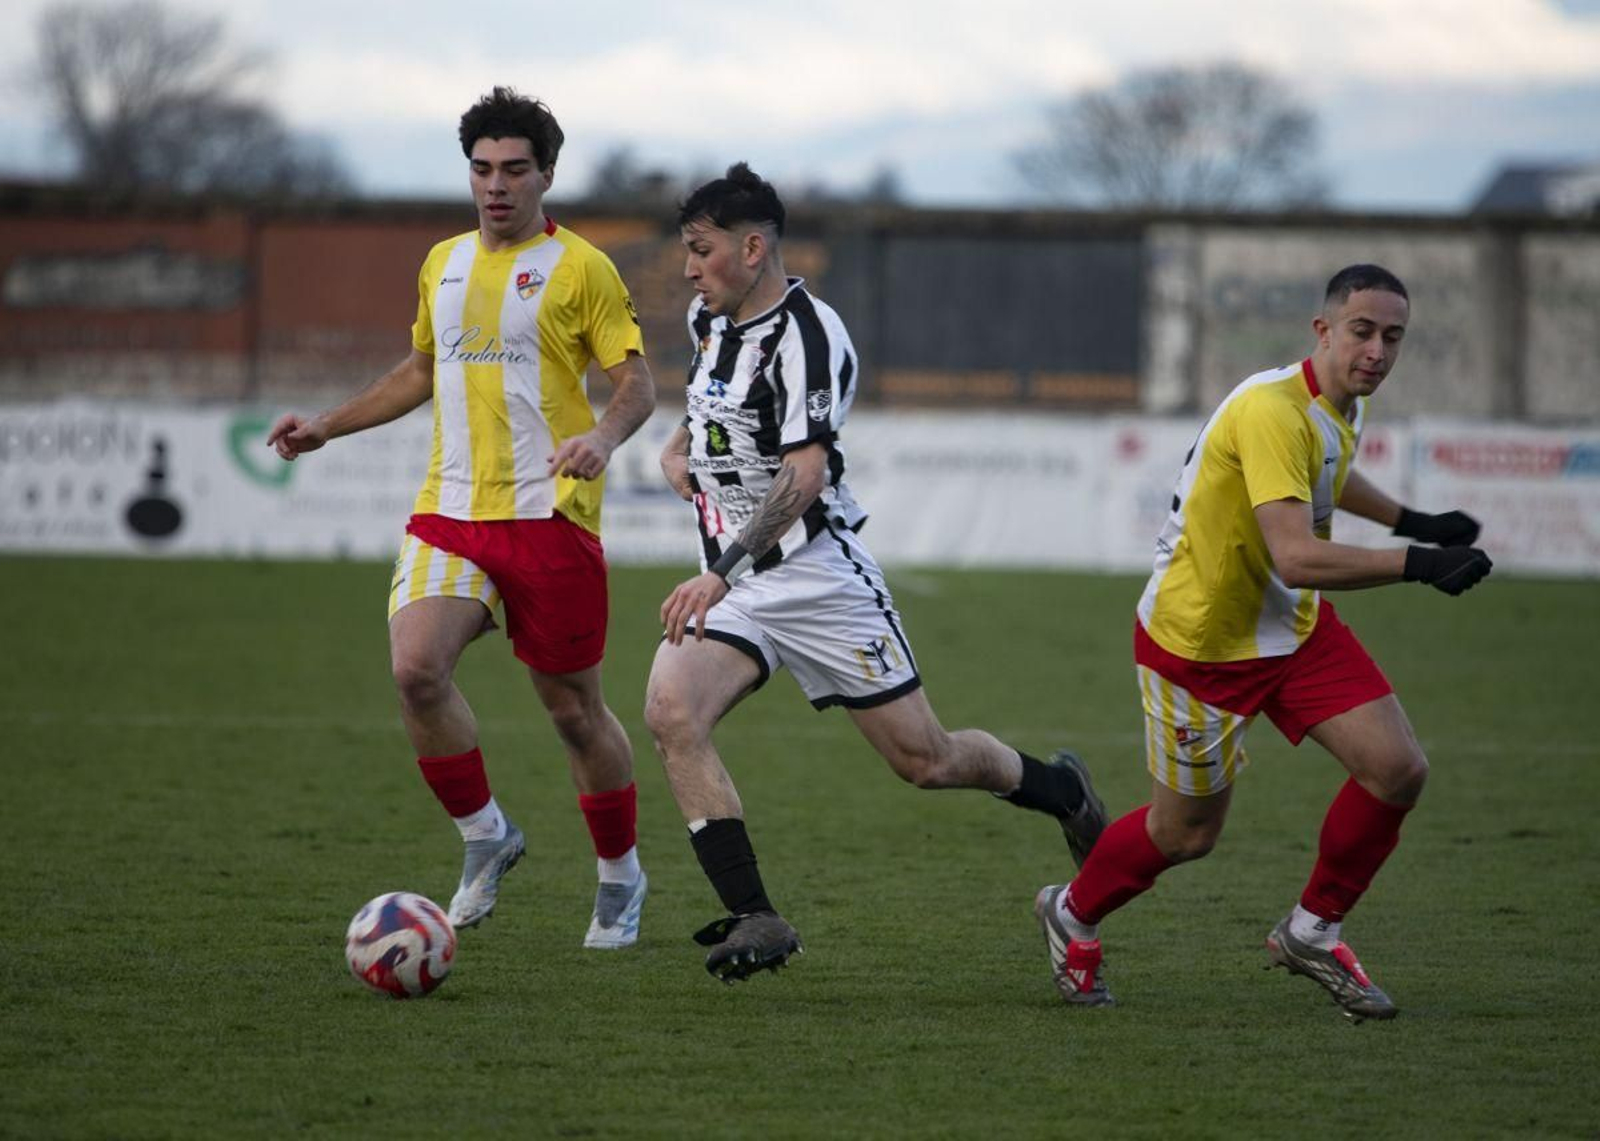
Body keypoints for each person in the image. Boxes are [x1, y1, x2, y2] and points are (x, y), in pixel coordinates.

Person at [642, 163, 1107, 983]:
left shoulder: (813, 335)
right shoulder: (708, 317)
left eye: (701, 249)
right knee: (671, 709)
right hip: (740, 582)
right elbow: (712, 401)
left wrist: (721, 570)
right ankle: (757, 914)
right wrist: (683, 447)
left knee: (925, 759)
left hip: (816, 577)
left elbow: (806, 474)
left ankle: (1061, 789)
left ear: (753, 249)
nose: (689, 267)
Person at [1034, 264, 1493, 1021]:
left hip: (1293, 627)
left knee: (1397, 768)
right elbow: (1297, 554)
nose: (1377, 350)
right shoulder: (1273, 410)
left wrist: (1413, 519)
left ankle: (1314, 928)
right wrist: (1418, 562)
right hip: (1201, 645)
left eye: (1392, 336)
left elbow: (1328, 474)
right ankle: (1072, 912)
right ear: (1323, 331)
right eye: (1362, 331)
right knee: (1184, 834)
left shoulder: (1337, 401)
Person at [266, 88, 656, 948]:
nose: (496, 185)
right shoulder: (440, 261)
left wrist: (602, 436)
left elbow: (637, 383)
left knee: (573, 712)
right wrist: (327, 424)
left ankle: (621, 874)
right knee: (416, 670)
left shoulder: (583, 267)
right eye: (482, 169)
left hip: (549, 518)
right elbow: (416, 372)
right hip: (449, 511)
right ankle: (487, 835)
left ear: (547, 174)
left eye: (515, 169)